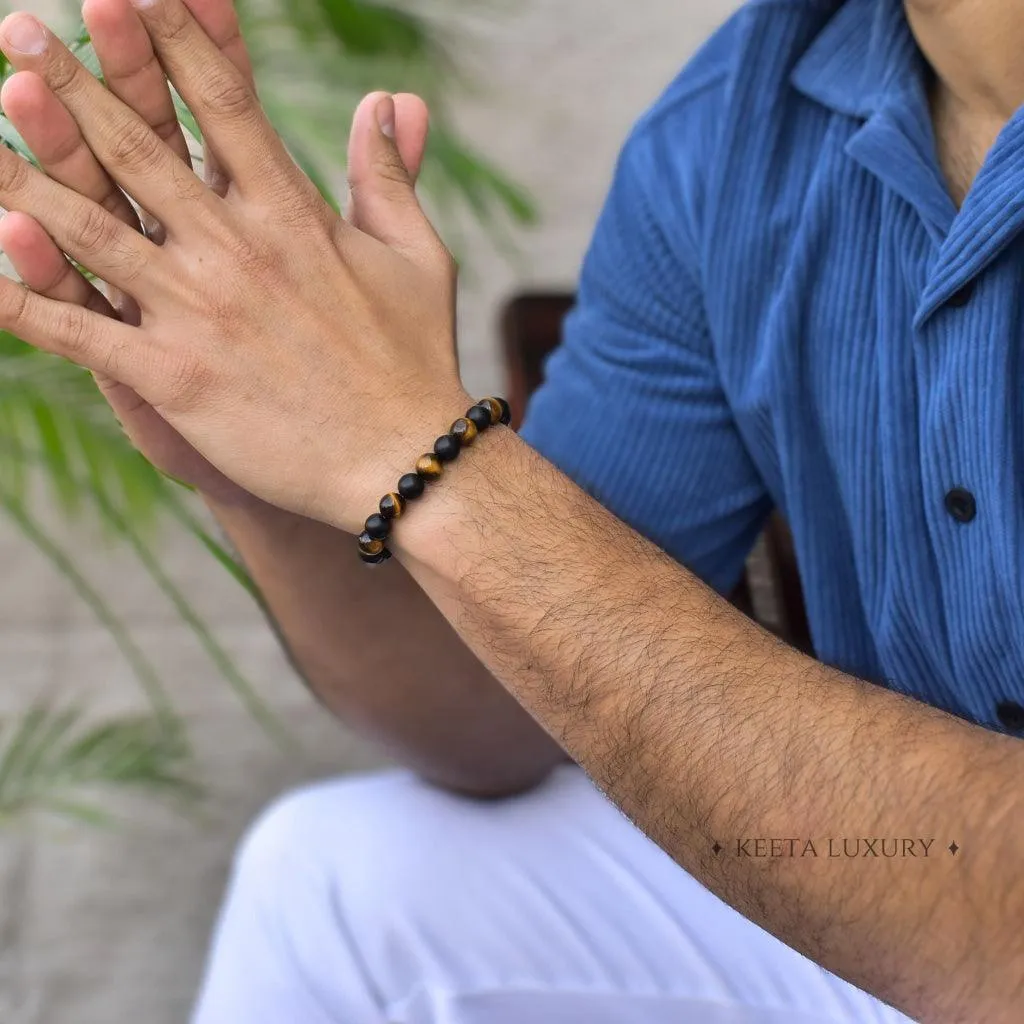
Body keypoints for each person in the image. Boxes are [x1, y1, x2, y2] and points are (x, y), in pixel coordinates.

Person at [0, 0, 1021, 1018]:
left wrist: (415, 451)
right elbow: (509, 716)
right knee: (334, 880)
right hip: (895, 890)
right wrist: (264, 463)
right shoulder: (735, 120)